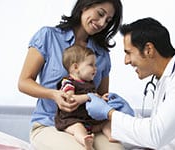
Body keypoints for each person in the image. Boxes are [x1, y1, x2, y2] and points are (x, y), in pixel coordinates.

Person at [85, 17, 175, 150]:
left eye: (129, 53)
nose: (126, 61)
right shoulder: (165, 79)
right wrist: (129, 114)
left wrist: (110, 113)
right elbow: (159, 128)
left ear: (149, 49)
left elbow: (156, 135)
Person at [18, 0, 125, 149]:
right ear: (85, 6)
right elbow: (24, 82)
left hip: (89, 126)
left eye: (107, 21)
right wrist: (53, 94)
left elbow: (100, 99)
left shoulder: (102, 55)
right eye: (100, 14)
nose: (101, 23)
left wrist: (107, 101)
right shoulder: (48, 36)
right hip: (50, 124)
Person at [55, 45, 118, 150]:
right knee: (78, 129)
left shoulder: (89, 83)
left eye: (95, 65)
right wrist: (88, 96)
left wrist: (102, 98)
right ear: (75, 67)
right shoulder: (68, 82)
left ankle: (110, 135)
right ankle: (86, 141)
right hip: (71, 120)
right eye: (91, 65)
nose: (95, 68)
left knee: (106, 122)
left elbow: (93, 99)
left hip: (89, 121)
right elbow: (70, 99)